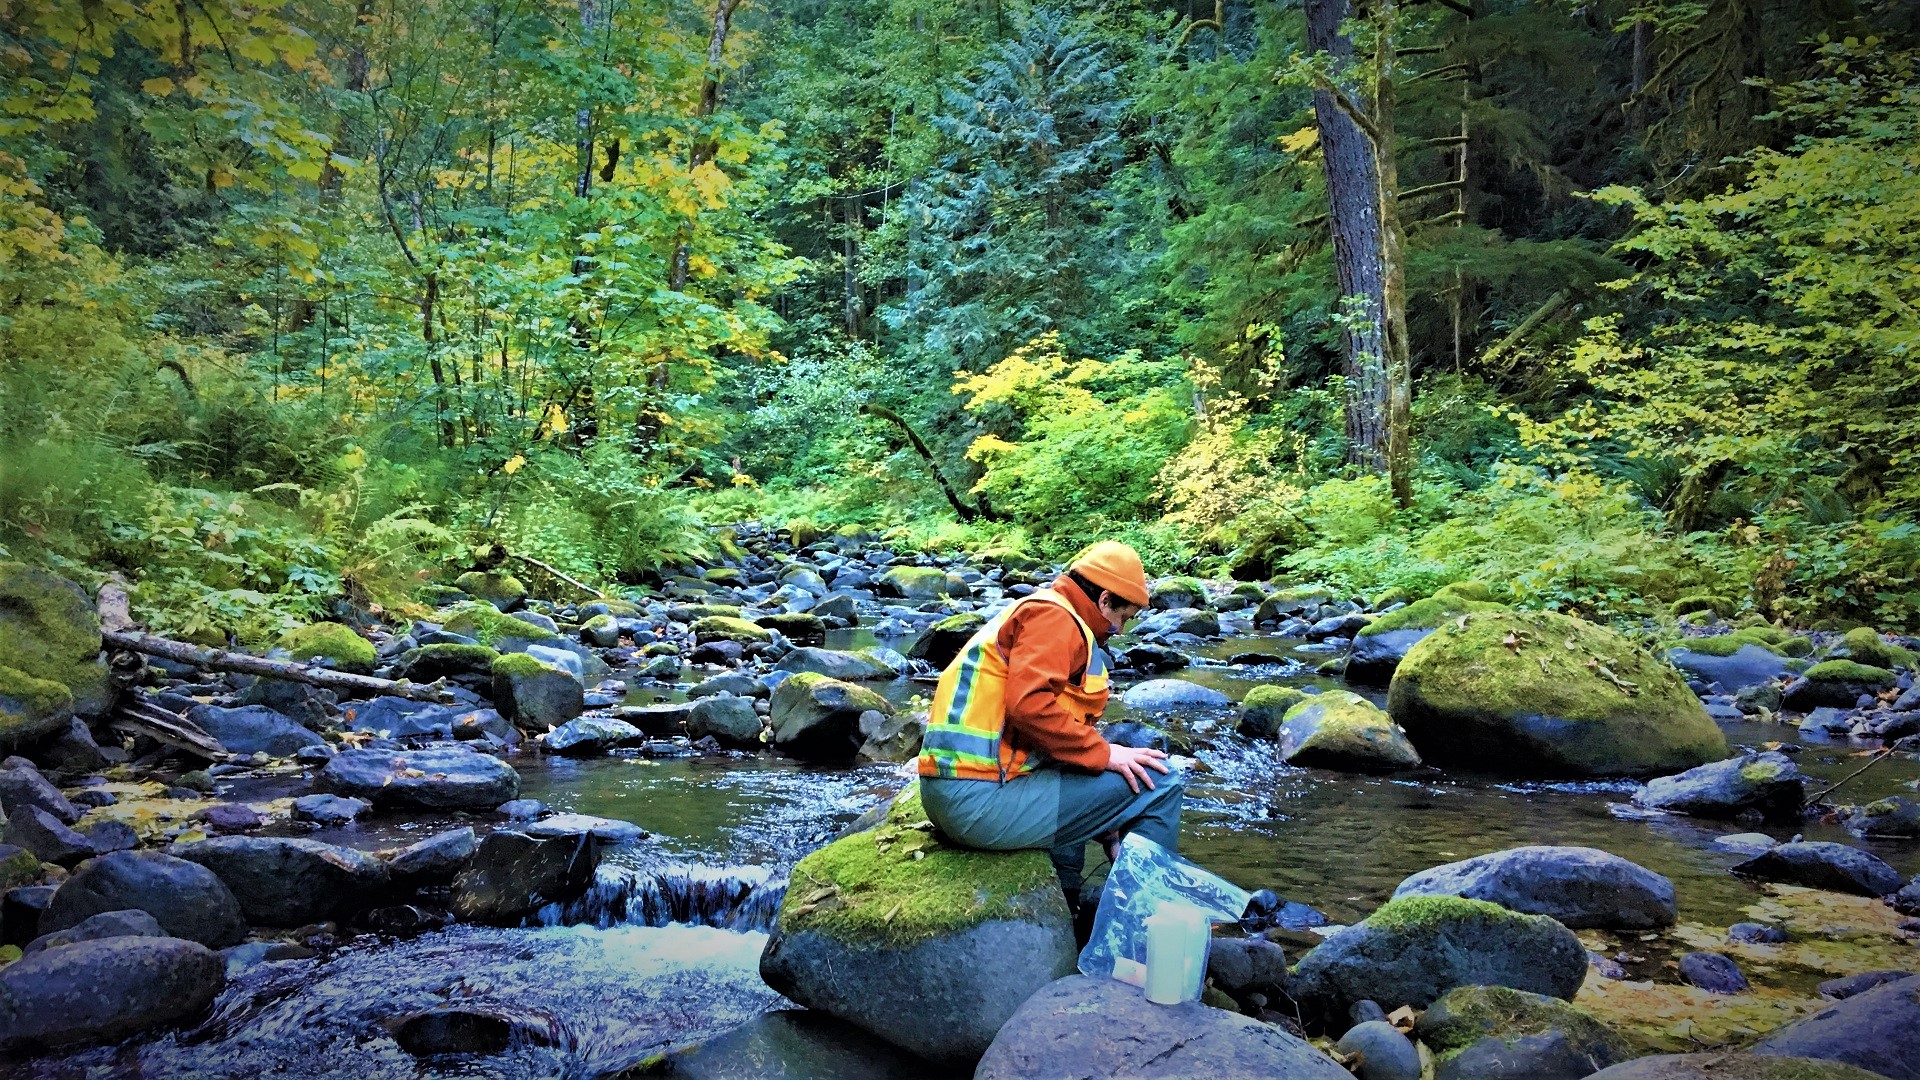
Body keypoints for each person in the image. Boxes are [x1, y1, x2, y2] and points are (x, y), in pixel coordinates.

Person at [916, 540, 1182, 908]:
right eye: (1124, 617)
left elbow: (1037, 735)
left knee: (1079, 771)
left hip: (954, 795)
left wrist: (1108, 818)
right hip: (976, 803)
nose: (1120, 630)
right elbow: (1029, 706)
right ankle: (1145, 919)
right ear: (1104, 600)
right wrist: (1104, 753)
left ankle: (1066, 906)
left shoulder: (1042, 610)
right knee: (1162, 782)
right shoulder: (1057, 620)